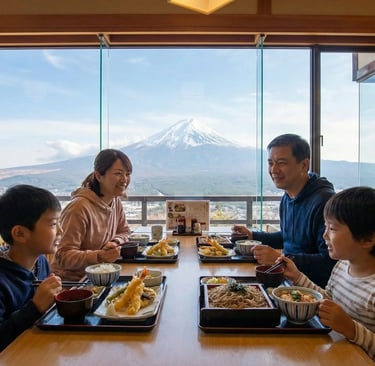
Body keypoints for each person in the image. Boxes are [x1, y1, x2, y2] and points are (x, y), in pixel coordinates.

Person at [278, 186, 375, 360]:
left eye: (332, 229)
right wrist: (297, 276)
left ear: (367, 239)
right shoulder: (341, 266)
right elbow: (327, 301)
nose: (324, 236)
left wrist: (351, 329)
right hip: (334, 354)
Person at [233, 133, 336, 287]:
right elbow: (288, 236)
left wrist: (280, 258)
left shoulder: (324, 202)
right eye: (270, 163)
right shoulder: (287, 197)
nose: (273, 170)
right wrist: (252, 235)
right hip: (286, 280)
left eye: (281, 163)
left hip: (310, 290)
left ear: (304, 165)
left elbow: (329, 263)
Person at [51, 149, 132, 280]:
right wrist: (99, 256)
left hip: (101, 277)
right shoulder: (79, 207)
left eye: (128, 174)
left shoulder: (115, 200)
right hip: (72, 283)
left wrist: (114, 242)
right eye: (118, 173)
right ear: (99, 175)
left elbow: (125, 231)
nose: (124, 179)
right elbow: (63, 256)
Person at [0, 184, 63, 352]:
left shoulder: (40, 261)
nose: (61, 231)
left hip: (40, 349)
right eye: (53, 224)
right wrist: (34, 308)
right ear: (20, 234)